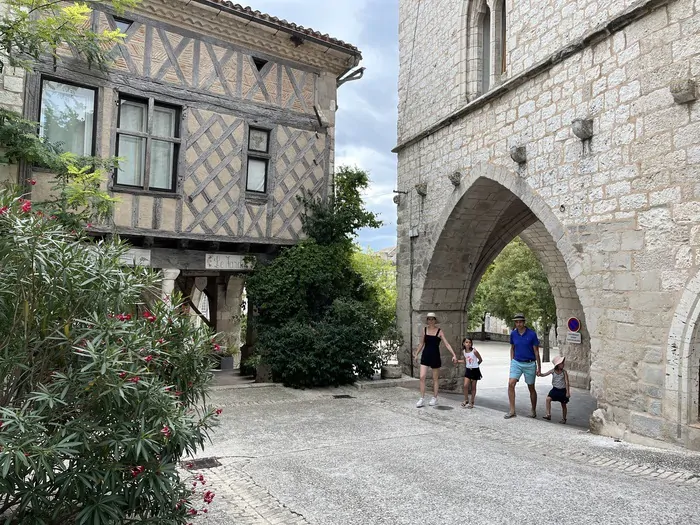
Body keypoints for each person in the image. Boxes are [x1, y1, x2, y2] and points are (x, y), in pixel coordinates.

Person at [413, 312, 457, 407]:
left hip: (435, 356)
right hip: (425, 355)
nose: (431, 321)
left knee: (435, 379)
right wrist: (416, 354)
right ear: (427, 321)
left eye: (432, 319)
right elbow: (421, 344)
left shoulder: (439, 331)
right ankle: (422, 398)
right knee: (422, 377)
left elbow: (447, 344)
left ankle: (435, 398)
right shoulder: (424, 330)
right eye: (429, 319)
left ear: (435, 320)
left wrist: (454, 354)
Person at [504, 313, 541, 419]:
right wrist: (512, 361)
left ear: (524, 322)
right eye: (516, 322)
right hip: (517, 362)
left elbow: (536, 351)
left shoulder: (532, 334)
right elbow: (512, 348)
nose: (518, 324)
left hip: (530, 363)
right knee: (511, 384)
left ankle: (533, 410)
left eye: (520, 322)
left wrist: (539, 367)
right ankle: (512, 410)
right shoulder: (513, 334)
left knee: (531, 387)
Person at [540, 355, 570, 424]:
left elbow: (567, 382)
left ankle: (564, 418)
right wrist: (540, 374)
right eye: (562, 363)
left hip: (562, 390)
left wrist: (567, 392)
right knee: (548, 399)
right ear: (558, 365)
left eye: (563, 363)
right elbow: (545, 374)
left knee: (563, 404)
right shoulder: (553, 371)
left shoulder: (564, 372)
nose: (563, 364)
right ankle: (548, 414)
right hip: (555, 389)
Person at [455, 337, 482, 408]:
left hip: (475, 370)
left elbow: (480, 359)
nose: (468, 344)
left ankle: (472, 401)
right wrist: (457, 361)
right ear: (463, 343)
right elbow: (465, 361)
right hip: (468, 370)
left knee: (473, 387)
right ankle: (466, 399)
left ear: (471, 343)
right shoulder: (464, 351)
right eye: (466, 342)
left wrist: (475, 365)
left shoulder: (474, 351)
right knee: (465, 385)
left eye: (470, 342)